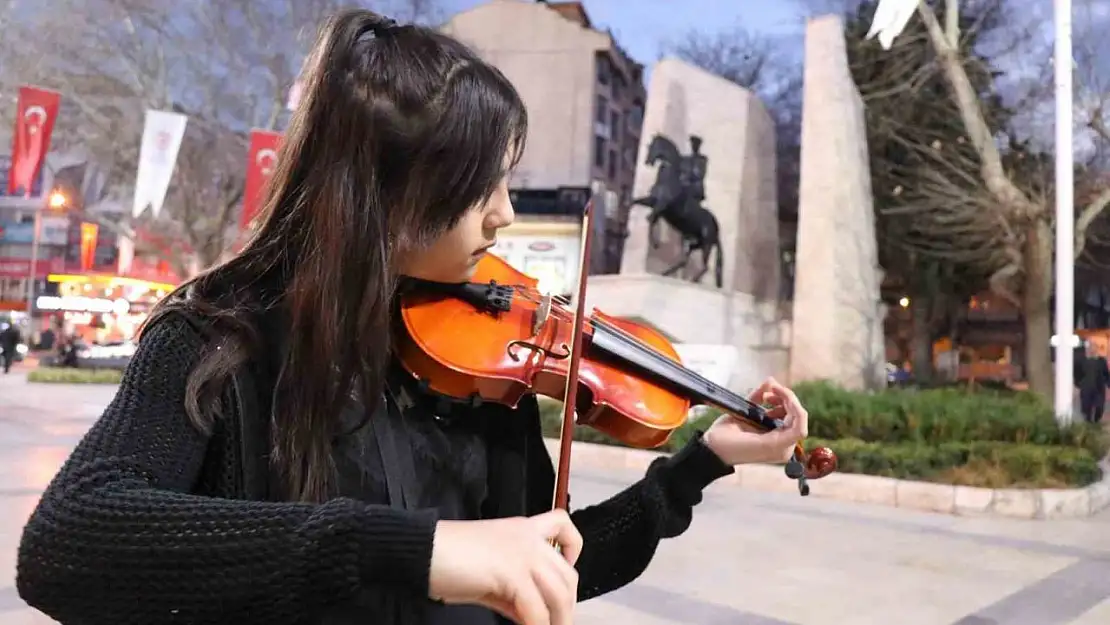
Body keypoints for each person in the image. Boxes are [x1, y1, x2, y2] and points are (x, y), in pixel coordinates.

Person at [15, 10, 810, 625]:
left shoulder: (476, 367)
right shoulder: (217, 340)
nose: (503, 216)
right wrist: (409, 549)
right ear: (385, 194)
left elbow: (546, 560)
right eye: (480, 187)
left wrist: (701, 462)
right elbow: (67, 543)